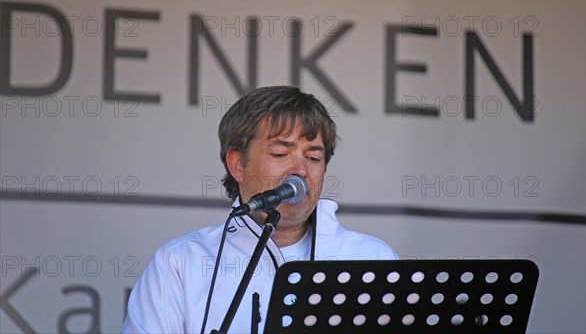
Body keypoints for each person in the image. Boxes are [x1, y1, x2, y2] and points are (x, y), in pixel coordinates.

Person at [122, 86, 398, 334]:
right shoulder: (179, 263)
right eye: (280, 154)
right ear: (238, 165)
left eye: (313, 157)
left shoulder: (372, 258)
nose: (300, 171)